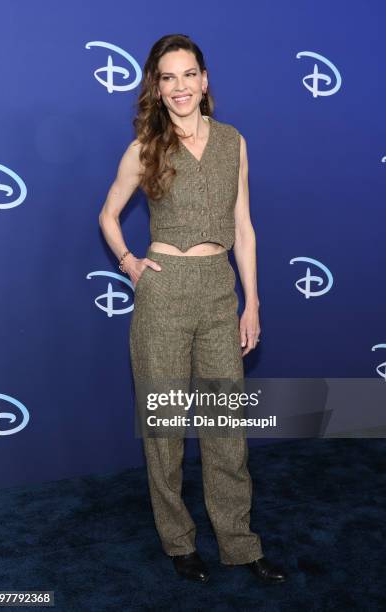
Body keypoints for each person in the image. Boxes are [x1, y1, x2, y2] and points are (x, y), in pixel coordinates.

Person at [99, 34, 287, 585]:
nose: (179, 87)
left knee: (224, 425)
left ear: (205, 81)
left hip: (217, 287)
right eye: (167, 77)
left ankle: (240, 544)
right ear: (156, 89)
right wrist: (131, 264)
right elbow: (108, 215)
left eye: (189, 75)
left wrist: (251, 302)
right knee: (165, 427)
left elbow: (244, 227)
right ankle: (179, 542)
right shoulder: (144, 148)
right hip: (164, 289)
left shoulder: (233, 142)